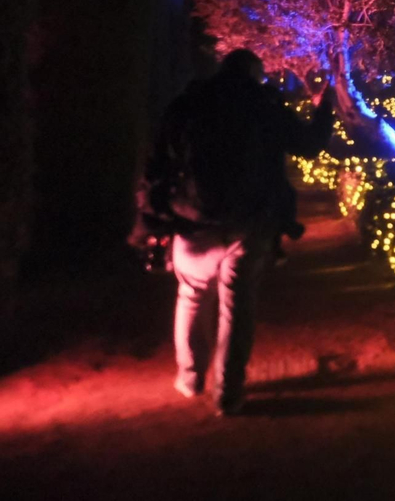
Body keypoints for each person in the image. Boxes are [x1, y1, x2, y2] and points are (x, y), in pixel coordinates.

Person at [133, 49, 336, 415]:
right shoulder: (264, 106)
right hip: (249, 222)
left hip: (192, 220)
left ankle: (190, 378)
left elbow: (157, 163)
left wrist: (153, 217)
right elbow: (309, 145)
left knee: (191, 297)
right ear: (255, 74)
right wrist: (323, 108)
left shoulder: (188, 104)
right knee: (237, 308)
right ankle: (228, 393)